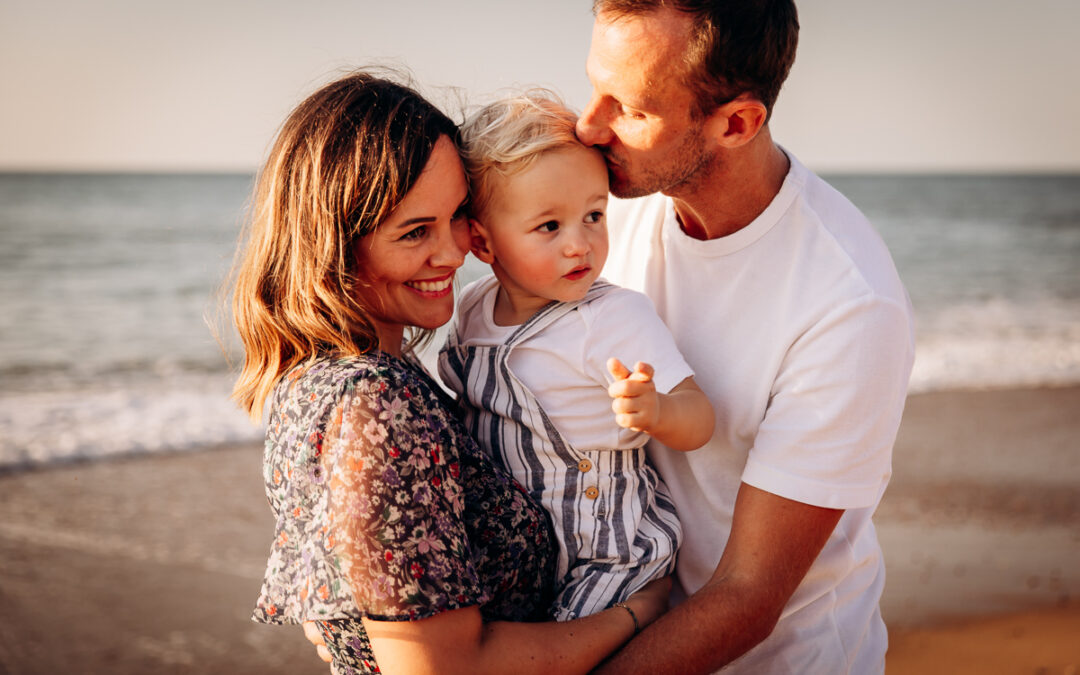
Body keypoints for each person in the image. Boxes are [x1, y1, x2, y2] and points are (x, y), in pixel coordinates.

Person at [230, 71, 669, 675]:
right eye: (415, 232)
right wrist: (639, 612)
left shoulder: (313, 378)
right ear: (333, 245)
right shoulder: (376, 404)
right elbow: (447, 669)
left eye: (458, 214)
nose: (456, 251)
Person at [574, 1, 916, 673]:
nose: (589, 126)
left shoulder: (850, 304)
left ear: (736, 123)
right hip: (633, 627)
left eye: (631, 110)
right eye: (594, 88)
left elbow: (747, 595)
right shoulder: (601, 211)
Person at [437, 93, 715, 621]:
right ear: (482, 243)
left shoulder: (611, 316)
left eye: (593, 215)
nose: (580, 244)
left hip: (607, 553)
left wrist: (657, 411)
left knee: (564, 647)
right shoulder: (472, 308)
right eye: (550, 226)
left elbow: (700, 418)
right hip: (524, 549)